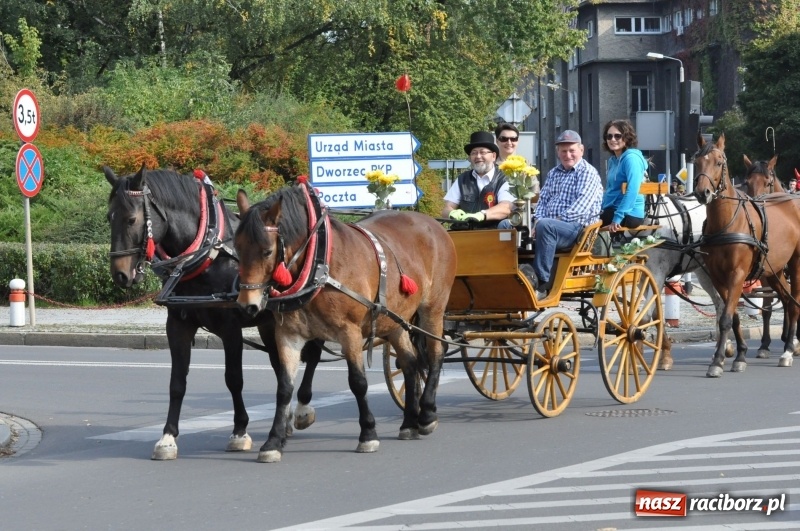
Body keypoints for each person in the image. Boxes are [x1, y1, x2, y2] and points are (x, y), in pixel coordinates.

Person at [526, 130, 603, 298]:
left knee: (547, 226)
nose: (567, 154)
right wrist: (537, 221)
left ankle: (541, 282)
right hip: (549, 227)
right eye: (563, 151)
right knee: (508, 227)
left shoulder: (588, 173)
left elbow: (579, 208)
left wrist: (545, 223)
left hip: (577, 231)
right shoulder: (554, 173)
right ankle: (517, 274)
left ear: (581, 150)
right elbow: (543, 201)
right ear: (557, 152)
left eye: (572, 150)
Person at [442, 131, 514, 226]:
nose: (478, 156)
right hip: (465, 232)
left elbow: (506, 207)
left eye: (482, 152)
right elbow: (446, 208)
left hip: (495, 233)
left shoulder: (504, 179)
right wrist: (451, 213)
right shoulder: (462, 179)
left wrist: (482, 215)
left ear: (493, 156)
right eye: (474, 153)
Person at [599, 119, 648, 232]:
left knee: (585, 224)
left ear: (626, 138)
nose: (612, 139)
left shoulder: (631, 159)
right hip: (612, 208)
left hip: (630, 214)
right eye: (609, 136)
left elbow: (632, 190)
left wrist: (617, 219)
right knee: (583, 217)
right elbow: (611, 190)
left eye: (617, 136)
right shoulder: (613, 160)